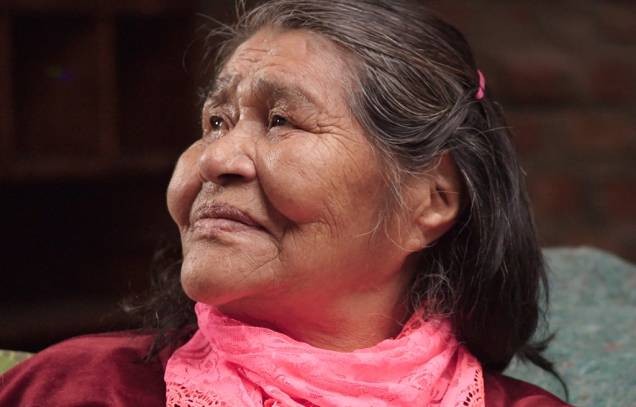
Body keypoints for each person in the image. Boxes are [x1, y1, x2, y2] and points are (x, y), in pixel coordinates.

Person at [0, 0, 571, 405]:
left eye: (280, 120)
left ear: (432, 200)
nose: (215, 159)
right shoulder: (71, 389)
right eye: (215, 122)